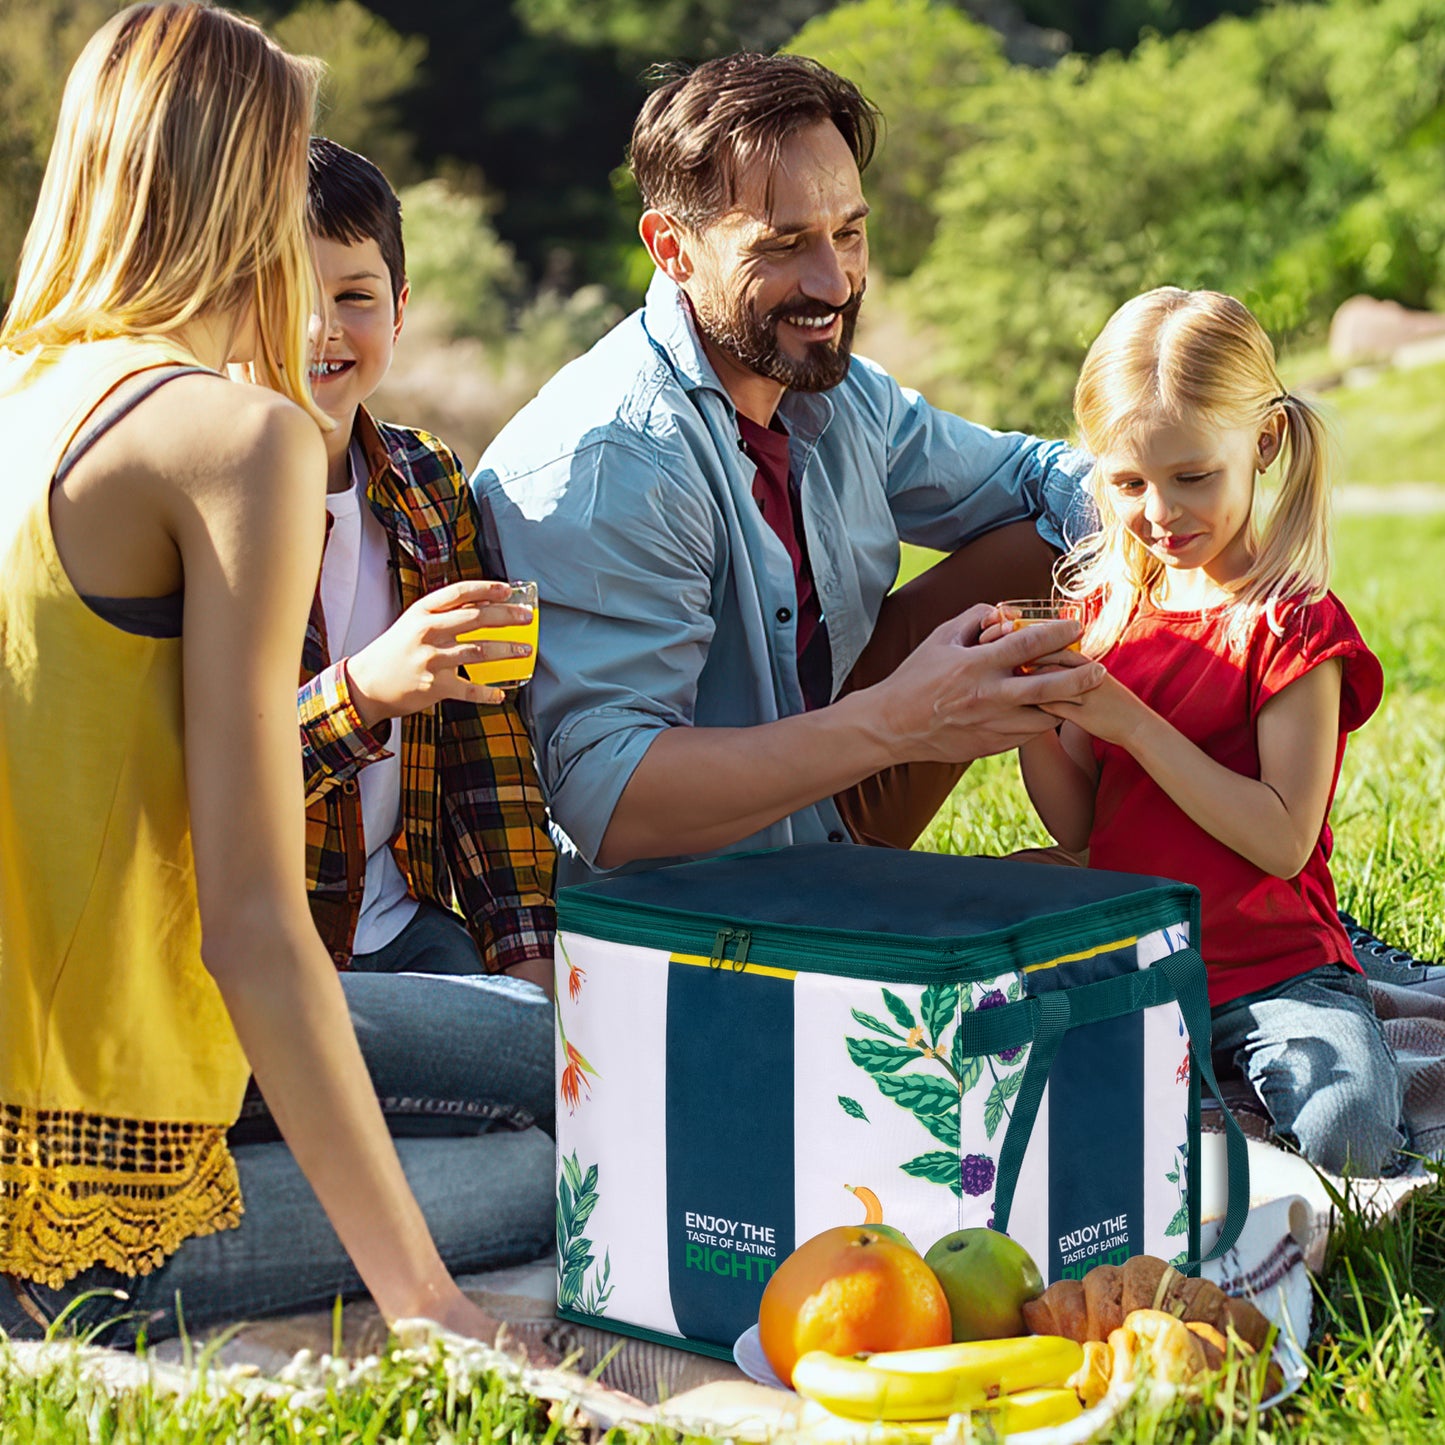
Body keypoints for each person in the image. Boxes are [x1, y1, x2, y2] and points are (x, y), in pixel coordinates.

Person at [0, 4, 550, 1348]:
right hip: (82, 1200)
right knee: (592, 1152)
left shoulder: (25, 400)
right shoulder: (234, 438)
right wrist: (429, 1307)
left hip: (67, 1073)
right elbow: (252, 926)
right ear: (246, 178)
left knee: (561, 1057)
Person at [474, 53, 1105, 886]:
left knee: (1076, 535)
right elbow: (609, 804)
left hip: (826, 800)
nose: (833, 280)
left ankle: (1196, 836)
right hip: (672, 898)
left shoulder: (832, 389)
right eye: (783, 244)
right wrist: (898, 721)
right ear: (672, 248)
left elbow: (1034, 475)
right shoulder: (612, 459)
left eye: (848, 231)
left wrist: (1216, 518)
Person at [1008, 286, 1403, 1176]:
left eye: (1192, 477)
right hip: (1131, 959)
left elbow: (1280, 837)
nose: (1159, 512)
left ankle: (1215, 1099)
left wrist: (1130, 722)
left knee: (1350, 1127)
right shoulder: (1108, 610)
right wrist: (1031, 711)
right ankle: (1197, 1104)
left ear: (1261, 443)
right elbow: (1074, 827)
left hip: (1274, 969)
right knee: (1000, 1065)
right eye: (1128, 483)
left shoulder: (1290, 623)